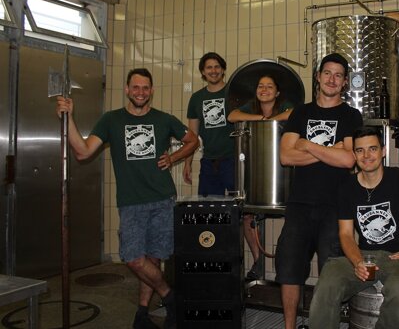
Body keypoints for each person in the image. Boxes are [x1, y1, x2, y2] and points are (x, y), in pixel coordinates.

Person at [55, 68, 199, 329]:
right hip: (131, 202)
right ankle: (170, 296)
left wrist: (174, 158)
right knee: (133, 258)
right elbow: (83, 152)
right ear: (127, 89)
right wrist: (69, 118)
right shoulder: (111, 120)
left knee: (153, 259)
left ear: (151, 91)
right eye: (135, 87)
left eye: (145, 88)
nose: (140, 92)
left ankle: (142, 315)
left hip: (162, 199)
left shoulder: (163, 119)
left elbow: (192, 140)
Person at [309, 126, 399, 329]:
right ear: (354, 155)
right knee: (328, 281)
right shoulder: (346, 188)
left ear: (383, 151)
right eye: (360, 150)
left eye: (373, 149)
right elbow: (346, 234)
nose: (367, 156)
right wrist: (357, 261)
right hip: (364, 255)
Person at [276, 53, 363, 329]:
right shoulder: (301, 113)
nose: (332, 79)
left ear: (345, 82)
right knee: (289, 271)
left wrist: (308, 145)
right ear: (317, 76)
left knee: (332, 273)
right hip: (299, 204)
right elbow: (286, 156)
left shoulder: (351, 115)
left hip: (335, 207)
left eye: (338, 75)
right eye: (327, 73)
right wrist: (330, 150)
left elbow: (348, 160)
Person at [227, 74, 294, 279]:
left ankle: (285, 265)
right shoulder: (251, 107)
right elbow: (232, 116)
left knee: (292, 216)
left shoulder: (285, 106)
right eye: (260, 86)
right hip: (254, 174)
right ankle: (257, 262)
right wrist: (261, 119)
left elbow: (295, 114)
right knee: (247, 216)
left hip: (283, 175)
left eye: (269, 86)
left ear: (277, 92)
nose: (264, 90)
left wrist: (272, 120)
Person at [183, 52, 235, 197]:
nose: (213, 71)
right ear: (203, 72)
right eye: (209, 67)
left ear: (223, 70)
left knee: (239, 205)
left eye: (217, 67)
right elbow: (192, 136)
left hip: (233, 160)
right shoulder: (196, 98)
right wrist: (187, 163)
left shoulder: (234, 93)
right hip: (208, 162)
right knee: (208, 206)